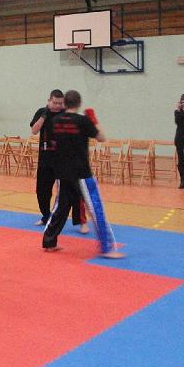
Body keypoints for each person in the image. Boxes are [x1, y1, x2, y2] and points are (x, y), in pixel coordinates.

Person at [42, 90, 124, 259]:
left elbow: (52, 143)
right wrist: (94, 119)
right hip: (81, 172)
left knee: (60, 207)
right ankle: (107, 248)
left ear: (64, 103)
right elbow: (101, 138)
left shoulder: (55, 121)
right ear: (79, 103)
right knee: (95, 208)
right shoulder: (83, 120)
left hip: (62, 172)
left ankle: (49, 242)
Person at [30, 90, 88, 233]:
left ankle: (81, 222)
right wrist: (44, 116)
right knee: (42, 191)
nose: (57, 106)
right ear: (49, 100)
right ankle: (46, 216)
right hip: (45, 160)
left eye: (60, 103)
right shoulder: (42, 112)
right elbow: (34, 131)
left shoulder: (66, 115)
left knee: (74, 192)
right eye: (54, 102)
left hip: (64, 161)